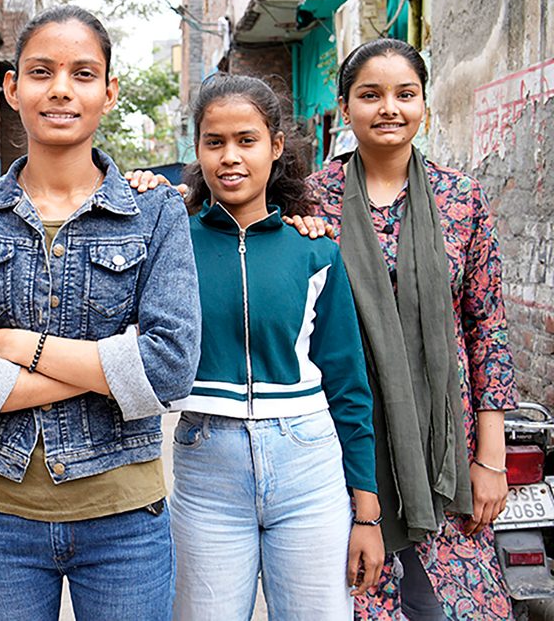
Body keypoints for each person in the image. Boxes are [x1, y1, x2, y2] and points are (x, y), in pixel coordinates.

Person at [0, 4, 201, 621]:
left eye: (83, 73)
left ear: (110, 91)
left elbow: (169, 369)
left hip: (125, 520)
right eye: (42, 72)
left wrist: (22, 347)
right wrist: (113, 368)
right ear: (11, 86)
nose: (61, 90)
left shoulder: (155, 214)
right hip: (0, 522)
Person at [304, 38, 517, 620]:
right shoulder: (310, 201)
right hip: (346, 441)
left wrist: (491, 458)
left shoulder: (461, 199)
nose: (389, 108)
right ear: (345, 107)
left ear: (425, 103)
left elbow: (487, 330)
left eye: (405, 94)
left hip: (447, 445)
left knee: (456, 606)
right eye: (370, 95)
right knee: (359, 599)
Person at [165, 74, 382, 620]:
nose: (230, 157)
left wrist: (367, 512)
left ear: (276, 145)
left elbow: (348, 383)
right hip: (206, 467)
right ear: (197, 150)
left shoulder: (314, 250)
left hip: (308, 465)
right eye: (214, 142)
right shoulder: (173, 244)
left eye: (247, 140)